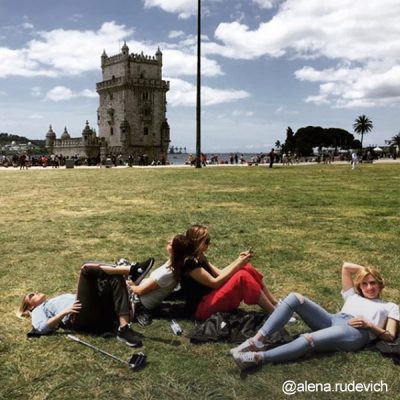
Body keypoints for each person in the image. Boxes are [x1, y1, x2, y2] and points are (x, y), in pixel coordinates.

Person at [230, 262, 399, 369]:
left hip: (355, 331)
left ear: (380, 285)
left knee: (308, 339)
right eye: (365, 283)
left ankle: (258, 357)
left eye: (373, 283)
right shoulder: (353, 295)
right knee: (295, 298)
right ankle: (257, 340)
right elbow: (346, 267)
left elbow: (390, 336)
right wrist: (366, 270)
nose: (369, 287)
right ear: (360, 286)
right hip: (334, 318)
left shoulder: (390, 306)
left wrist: (369, 325)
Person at [19, 258, 154, 347]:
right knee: (86, 269)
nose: (35, 292)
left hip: (91, 310)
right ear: (30, 306)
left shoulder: (50, 302)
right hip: (77, 317)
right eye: (31, 295)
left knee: (115, 277)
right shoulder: (37, 310)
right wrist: (65, 312)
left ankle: (124, 329)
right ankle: (133, 270)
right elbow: (41, 328)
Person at [179, 225, 279, 321]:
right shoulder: (190, 263)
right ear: (196, 242)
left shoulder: (199, 256)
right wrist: (237, 265)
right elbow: (215, 283)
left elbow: (219, 273)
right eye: (206, 241)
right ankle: (276, 314)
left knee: (247, 268)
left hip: (209, 297)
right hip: (201, 308)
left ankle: (275, 303)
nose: (209, 244)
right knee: (242, 276)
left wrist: (238, 261)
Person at [127, 234, 192, 325]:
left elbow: (139, 291)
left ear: (174, 250)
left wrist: (130, 283)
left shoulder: (167, 273)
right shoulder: (175, 264)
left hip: (138, 302)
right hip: (141, 294)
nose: (168, 241)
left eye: (171, 244)